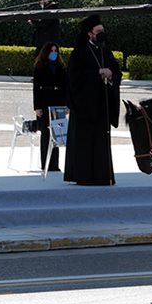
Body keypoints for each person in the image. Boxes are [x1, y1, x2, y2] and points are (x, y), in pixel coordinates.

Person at [64, 15, 121, 186]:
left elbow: (116, 72)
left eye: (102, 31)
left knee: (101, 143)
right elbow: (73, 78)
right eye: (98, 31)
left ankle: (103, 176)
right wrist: (96, 73)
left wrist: (110, 75)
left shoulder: (106, 51)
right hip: (84, 107)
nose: (101, 34)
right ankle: (84, 176)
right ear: (89, 34)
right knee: (85, 143)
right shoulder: (79, 52)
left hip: (102, 105)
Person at [32, 42, 68, 172]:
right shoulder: (39, 67)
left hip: (58, 101)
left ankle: (55, 164)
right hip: (44, 101)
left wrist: (66, 105)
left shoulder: (61, 67)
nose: (54, 53)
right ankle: (45, 163)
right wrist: (37, 107)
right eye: (51, 51)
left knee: (57, 134)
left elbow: (66, 88)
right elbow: (36, 89)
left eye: (56, 51)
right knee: (46, 134)